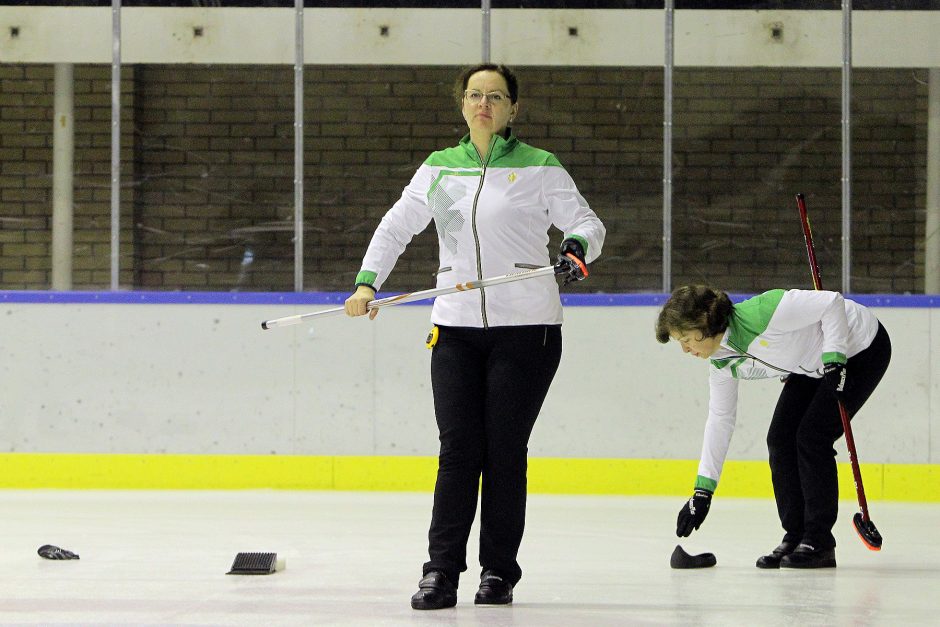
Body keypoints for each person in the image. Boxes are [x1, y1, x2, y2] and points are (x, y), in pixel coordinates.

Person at [344, 63, 605, 609]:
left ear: (513, 109)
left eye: (496, 96)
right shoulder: (440, 170)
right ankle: (440, 571)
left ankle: (498, 572)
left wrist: (577, 248)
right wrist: (368, 283)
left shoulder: (539, 167)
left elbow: (587, 222)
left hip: (527, 329)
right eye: (474, 95)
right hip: (456, 328)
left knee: (505, 450)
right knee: (458, 450)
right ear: (462, 105)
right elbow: (397, 226)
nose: (483, 103)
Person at [655, 285, 891, 569]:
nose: (685, 350)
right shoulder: (722, 362)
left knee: (812, 436)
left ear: (703, 324)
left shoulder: (762, 313)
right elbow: (720, 420)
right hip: (810, 365)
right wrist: (702, 491)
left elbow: (831, 303)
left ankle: (819, 542)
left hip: (858, 347)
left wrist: (835, 358)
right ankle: (795, 535)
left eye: (685, 339)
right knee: (779, 439)